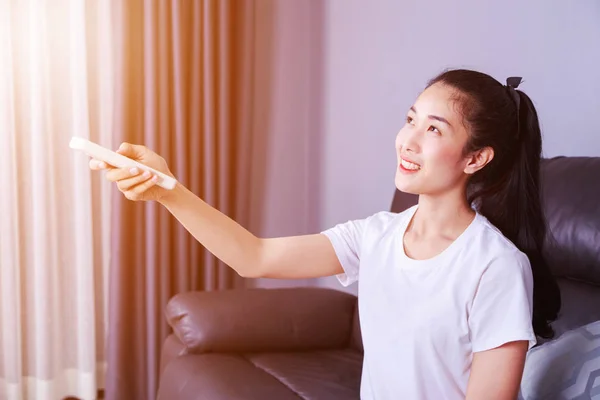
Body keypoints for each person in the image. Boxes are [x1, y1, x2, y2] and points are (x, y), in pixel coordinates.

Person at [89, 68, 561, 399]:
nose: (407, 139)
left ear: (476, 158)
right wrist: (168, 191)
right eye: (411, 118)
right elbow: (255, 257)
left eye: (434, 130)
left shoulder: (495, 265)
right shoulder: (375, 236)